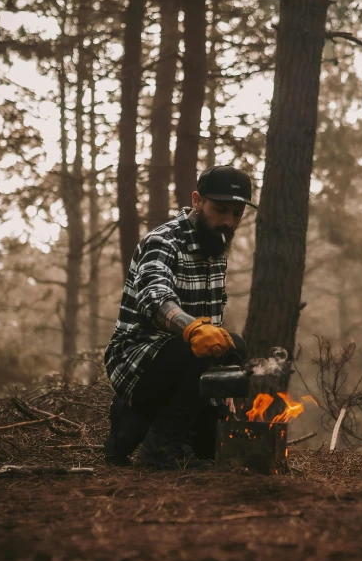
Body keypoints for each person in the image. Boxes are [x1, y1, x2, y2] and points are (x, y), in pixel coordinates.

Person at [103, 165, 256, 469]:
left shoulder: (216, 248)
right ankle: (158, 448)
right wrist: (193, 330)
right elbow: (155, 298)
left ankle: (137, 423)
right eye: (220, 209)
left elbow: (213, 330)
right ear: (198, 201)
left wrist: (222, 385)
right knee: (197, 347)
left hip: (183, 364)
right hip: (136, 359)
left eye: (236, 213)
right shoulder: (163, 242)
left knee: (234, 349)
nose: (228, 221)